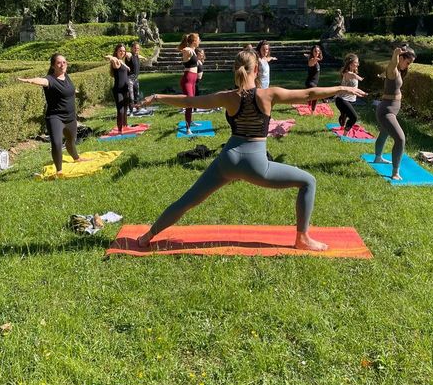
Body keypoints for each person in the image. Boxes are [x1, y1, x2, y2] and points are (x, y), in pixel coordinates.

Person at [137, 49, 367, 251]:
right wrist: (341, 87)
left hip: (227, 160)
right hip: (257, 165)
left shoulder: (227, 97)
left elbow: (190, 102)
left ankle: (147, 236)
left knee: (187, 201)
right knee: (308, 182)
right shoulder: (268, 94)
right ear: (256, 69)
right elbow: (308, 94)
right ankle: (302, 238)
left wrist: (157, 97)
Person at [17, 54, 88, 176]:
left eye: (64, 62)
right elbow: (42, 81)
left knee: (71, 141)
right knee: (56, 143)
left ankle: (76, 158)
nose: (62, 65)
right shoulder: (50, 79)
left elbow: (69, 90)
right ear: (53, 66)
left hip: (70, 117)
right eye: (59, 63)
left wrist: (75, 92)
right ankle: (59, 170)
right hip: (55, 117)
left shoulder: (67, 77)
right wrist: (30, 80)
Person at [374, 44, 416, 180]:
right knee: (400, 139)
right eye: (408, 62)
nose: (408, 65)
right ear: (401, 58)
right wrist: (395, 55)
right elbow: (392, 64)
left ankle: (378, 157)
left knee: (384, 133)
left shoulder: (397, 71)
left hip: (389, 110)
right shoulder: (393, 70)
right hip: (386, 112)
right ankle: (395, 173)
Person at [335, 53, 364, 135]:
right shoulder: (347, 73)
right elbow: (352, 75)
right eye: (356, 62)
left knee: (345, 115)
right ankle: (345, 135)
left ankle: (342, 123)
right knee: (354, 117)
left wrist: (361, 93)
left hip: (347, 99)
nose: (358, 64)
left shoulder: (352, 72)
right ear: (350, 64)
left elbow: (355, 88)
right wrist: (358, 77)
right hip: (341, 100)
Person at [105, 43, 131, 133]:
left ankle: (124, 125)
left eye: (124, 51)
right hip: (118, 90)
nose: (122, 52)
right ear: (116, 52)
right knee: (120, 110)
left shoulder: (122, 61)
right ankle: (120, 130)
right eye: (120, 51)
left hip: (125, 89)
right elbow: (112, 59)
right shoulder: (116, 61)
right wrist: (111, 57)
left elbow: (129, 55)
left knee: (125, 108)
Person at [178, 33, 201, 135]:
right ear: (194, 41)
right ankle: (187, 129)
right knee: (189, 103)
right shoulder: (188, 50)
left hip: (193, 81)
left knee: (193, 102)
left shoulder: (194, 51)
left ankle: (190, 121)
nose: (200, 41)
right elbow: (183, 50)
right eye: (198, 39)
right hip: (187, 80)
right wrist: (186, 49)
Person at [126, 41, 146, 115]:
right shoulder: (130, 55)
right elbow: (127, 54)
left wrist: (143, 57)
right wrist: (125, 53)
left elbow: (139, 56)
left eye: (138, 48)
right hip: (129, 79)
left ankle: (138, 108)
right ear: (131, 48)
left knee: (136, 95)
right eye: (135, 48)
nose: (136, 49)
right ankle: (131, 111)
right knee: (131, 96)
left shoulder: (137, 55)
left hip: (136, 79)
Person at [304, 44, 323, 113]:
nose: (317, 53)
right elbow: (310, 63)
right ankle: (313, 111)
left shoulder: (316, 60)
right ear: (312, 52)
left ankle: (308, 106)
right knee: (316, 95)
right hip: (310, 83)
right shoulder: (312, 60)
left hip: (314, 83)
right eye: (315, 51)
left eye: (318, 51)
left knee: (311, 97)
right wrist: (314, 59)